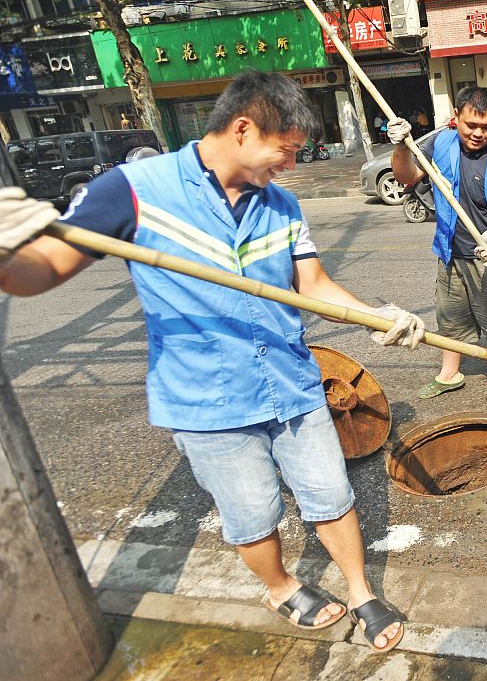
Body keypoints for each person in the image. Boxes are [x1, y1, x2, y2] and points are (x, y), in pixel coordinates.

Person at [0, 71, 424, 653]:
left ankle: (360, 590)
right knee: (251, 513)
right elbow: (40, 271)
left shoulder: (281, 204)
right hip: (207, 401)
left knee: (331, 492)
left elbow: (315, 285)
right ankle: (278, 586)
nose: (291, 166)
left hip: (291, 383)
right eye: (288, 151)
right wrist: (7, 251)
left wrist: (379, 317)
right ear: (245, 129)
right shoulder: (132, 190)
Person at [388, 86, 487, 413]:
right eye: (471, 126)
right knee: (450, 319)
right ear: (457, 119)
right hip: (451, 252)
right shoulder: (441, 144)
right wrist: (401, 147)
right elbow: (406, 175)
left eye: (486, 127)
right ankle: (449, 373)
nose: (478, 133)